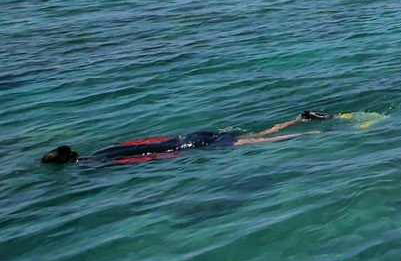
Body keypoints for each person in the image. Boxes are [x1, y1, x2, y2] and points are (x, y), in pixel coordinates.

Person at [41, 110, 332, 166]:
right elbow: (141, 143)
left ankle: (310, 133)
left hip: (189, 145)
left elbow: (143, 157)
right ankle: (300, 119)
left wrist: (176, 154)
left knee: (253, 143)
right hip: (189, 135)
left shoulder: (97, 161)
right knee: (256, 135)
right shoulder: (104, 148)